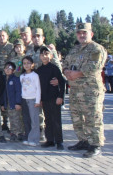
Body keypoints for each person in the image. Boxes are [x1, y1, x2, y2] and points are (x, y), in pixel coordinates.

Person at [63, 23, 107, 158]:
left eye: (84, 33)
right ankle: (83, 140)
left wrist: (77, 74)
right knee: (76, 117)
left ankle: (95, 145)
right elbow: (65, 63)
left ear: (91, 34)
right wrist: (66, 71)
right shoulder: (74, 50)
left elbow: (95, 66)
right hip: (75, 90)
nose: (81, 35)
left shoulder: (96, 49)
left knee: (93, 117)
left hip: (90, 90)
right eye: (79, 33)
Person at [37, 47, 65, 150]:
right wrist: (39, 99)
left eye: (46, 54)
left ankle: (59, 141)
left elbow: (62, 83)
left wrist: (60, 97)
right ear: (40, 57)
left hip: (54, 98)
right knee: (48, 120)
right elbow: (38, 86)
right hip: (44, 98)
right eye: (42, 54)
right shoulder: (39, 70)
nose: (44, 56)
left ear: (51, 56)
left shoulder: (54, 68)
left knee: (56, 120)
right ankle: (50, 140)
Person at [20, 56, 41, 147]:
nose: (26, 65)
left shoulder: (35, 75)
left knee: (34, 120)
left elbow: (38, 88)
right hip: (24, 99)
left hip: (33, 100)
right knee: (26, 120)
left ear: (32, 64)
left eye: (28, 63)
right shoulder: (22, 76)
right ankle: (28, 137)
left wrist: (37, 100)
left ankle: (35, 139)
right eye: (24, 63)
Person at [1, 62, 24, 142]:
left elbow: (18, 92)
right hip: (8, 103)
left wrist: (18, 103)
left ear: (13, 71)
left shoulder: (15, 79)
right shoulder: (4, 80)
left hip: (14, 103)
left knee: (17, 118)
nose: (7, 70)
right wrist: (3, 104)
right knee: (11, 118)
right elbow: (3, 93)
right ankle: (13, 133)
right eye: (6, 68)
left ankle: (20, 133)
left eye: (9, 68)